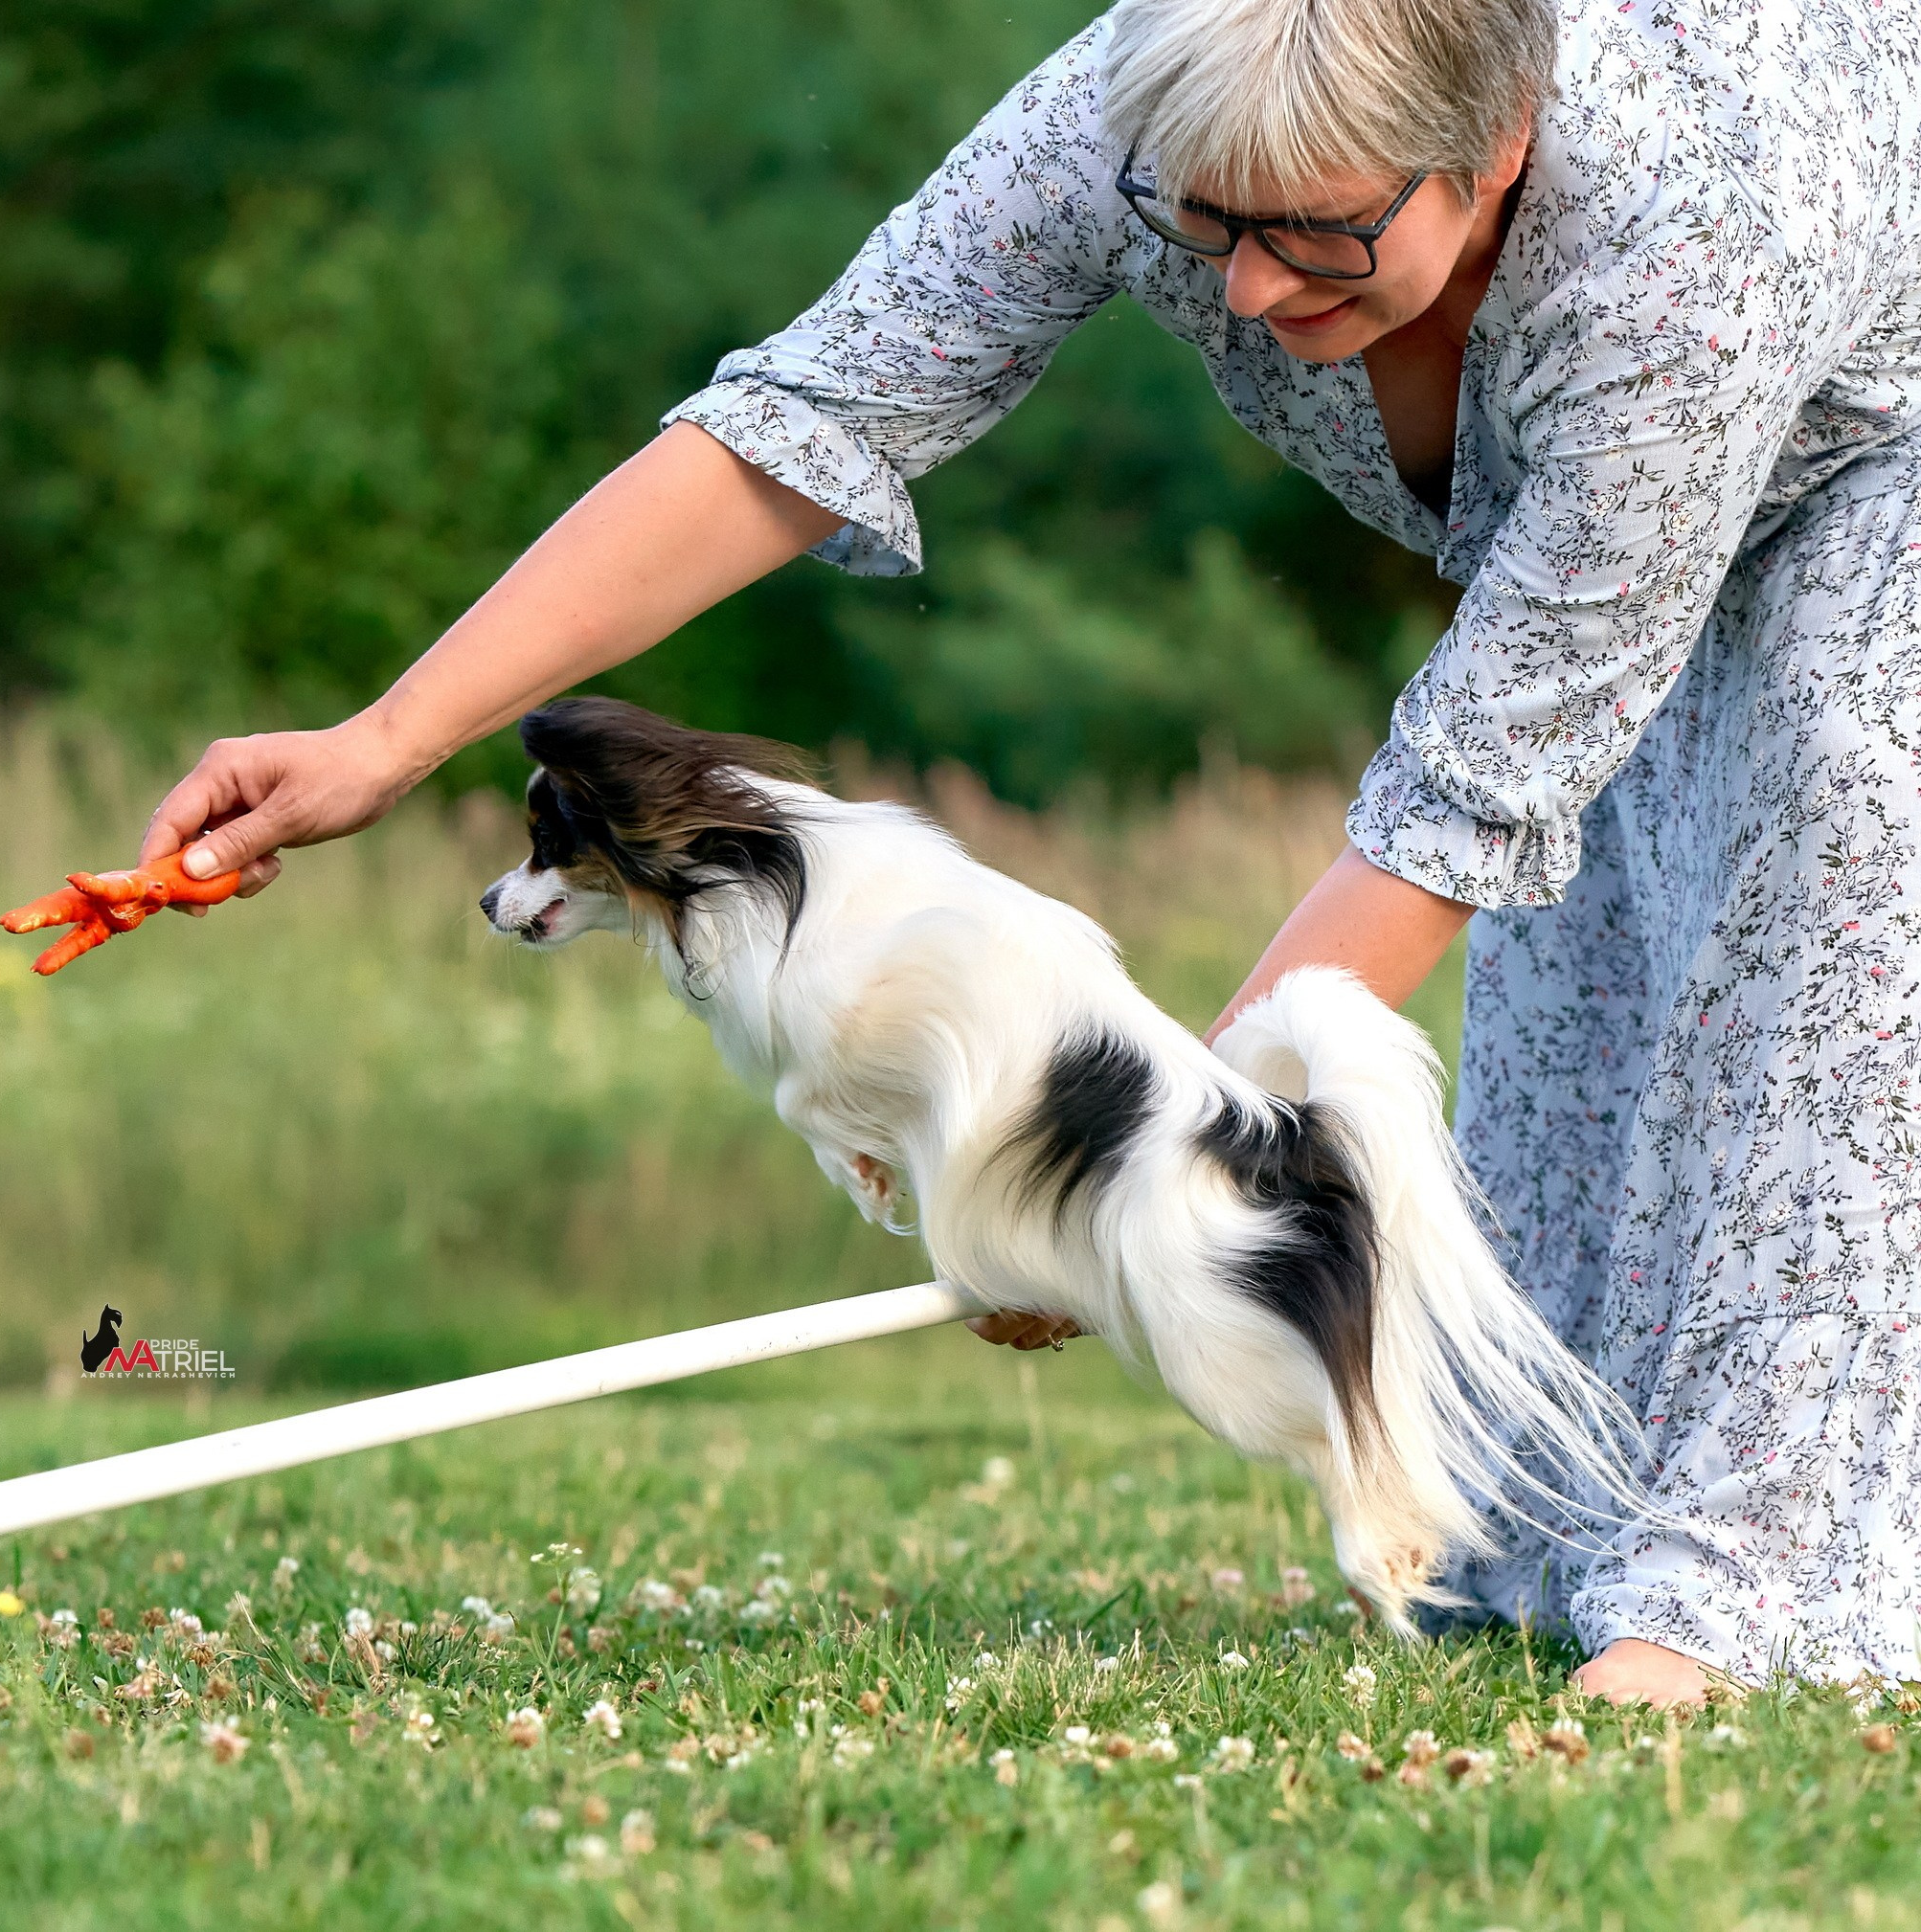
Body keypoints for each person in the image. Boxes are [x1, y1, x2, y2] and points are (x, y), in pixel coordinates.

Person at [136, 0, 1921, 1706]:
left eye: (1311, 237)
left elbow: (1469, 784)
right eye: (1206, 229)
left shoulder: (1693, 246)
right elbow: (805, 421)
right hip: (1616, 480)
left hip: (1881, 448)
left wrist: (1151, 1173)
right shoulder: (1149, 111)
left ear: (1498, 144)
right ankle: (1537, 1534)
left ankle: (1745, 1580)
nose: (1240, 287)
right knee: (1586, 956)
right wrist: (387, 736)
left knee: (1848, 841)